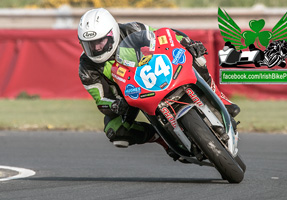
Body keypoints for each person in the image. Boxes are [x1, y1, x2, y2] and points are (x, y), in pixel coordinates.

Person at [77, 8, 240, 161]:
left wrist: (188, 43)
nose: (96, 48)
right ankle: (163, 139)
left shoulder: (132, 29)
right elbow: (101, 99)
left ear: (112, 33)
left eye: (100, 41)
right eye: (89, 44)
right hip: (127, 97)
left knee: (197, 58)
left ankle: (223, 101)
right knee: (115, 131)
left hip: (155, 71)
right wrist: (114, 105)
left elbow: (164, 38)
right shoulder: (86, 68)